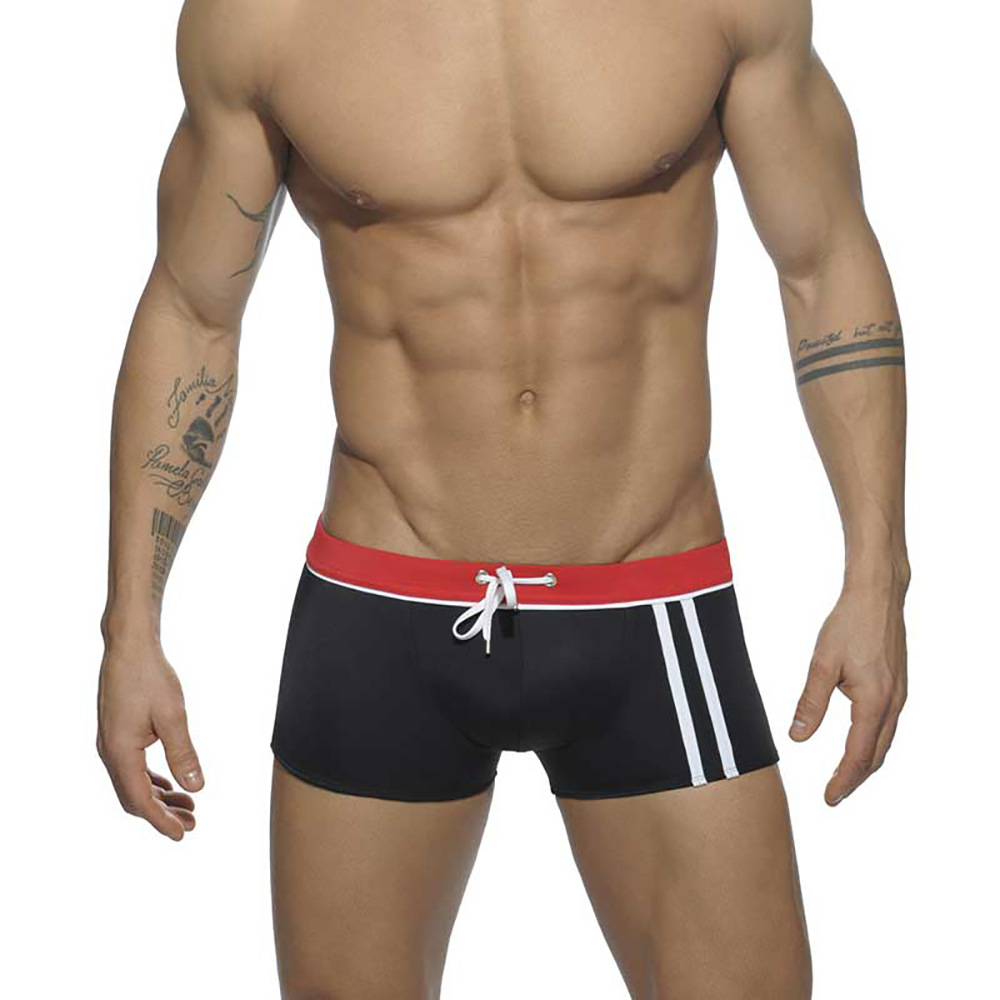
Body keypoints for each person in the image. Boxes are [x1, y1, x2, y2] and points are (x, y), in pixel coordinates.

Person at [96, 0, 909, 996]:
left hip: (650, 597)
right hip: (384, 601)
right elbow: (193, 313)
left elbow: (824, 264)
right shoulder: (268, 18)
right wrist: (131, 628)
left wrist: (877, 577)